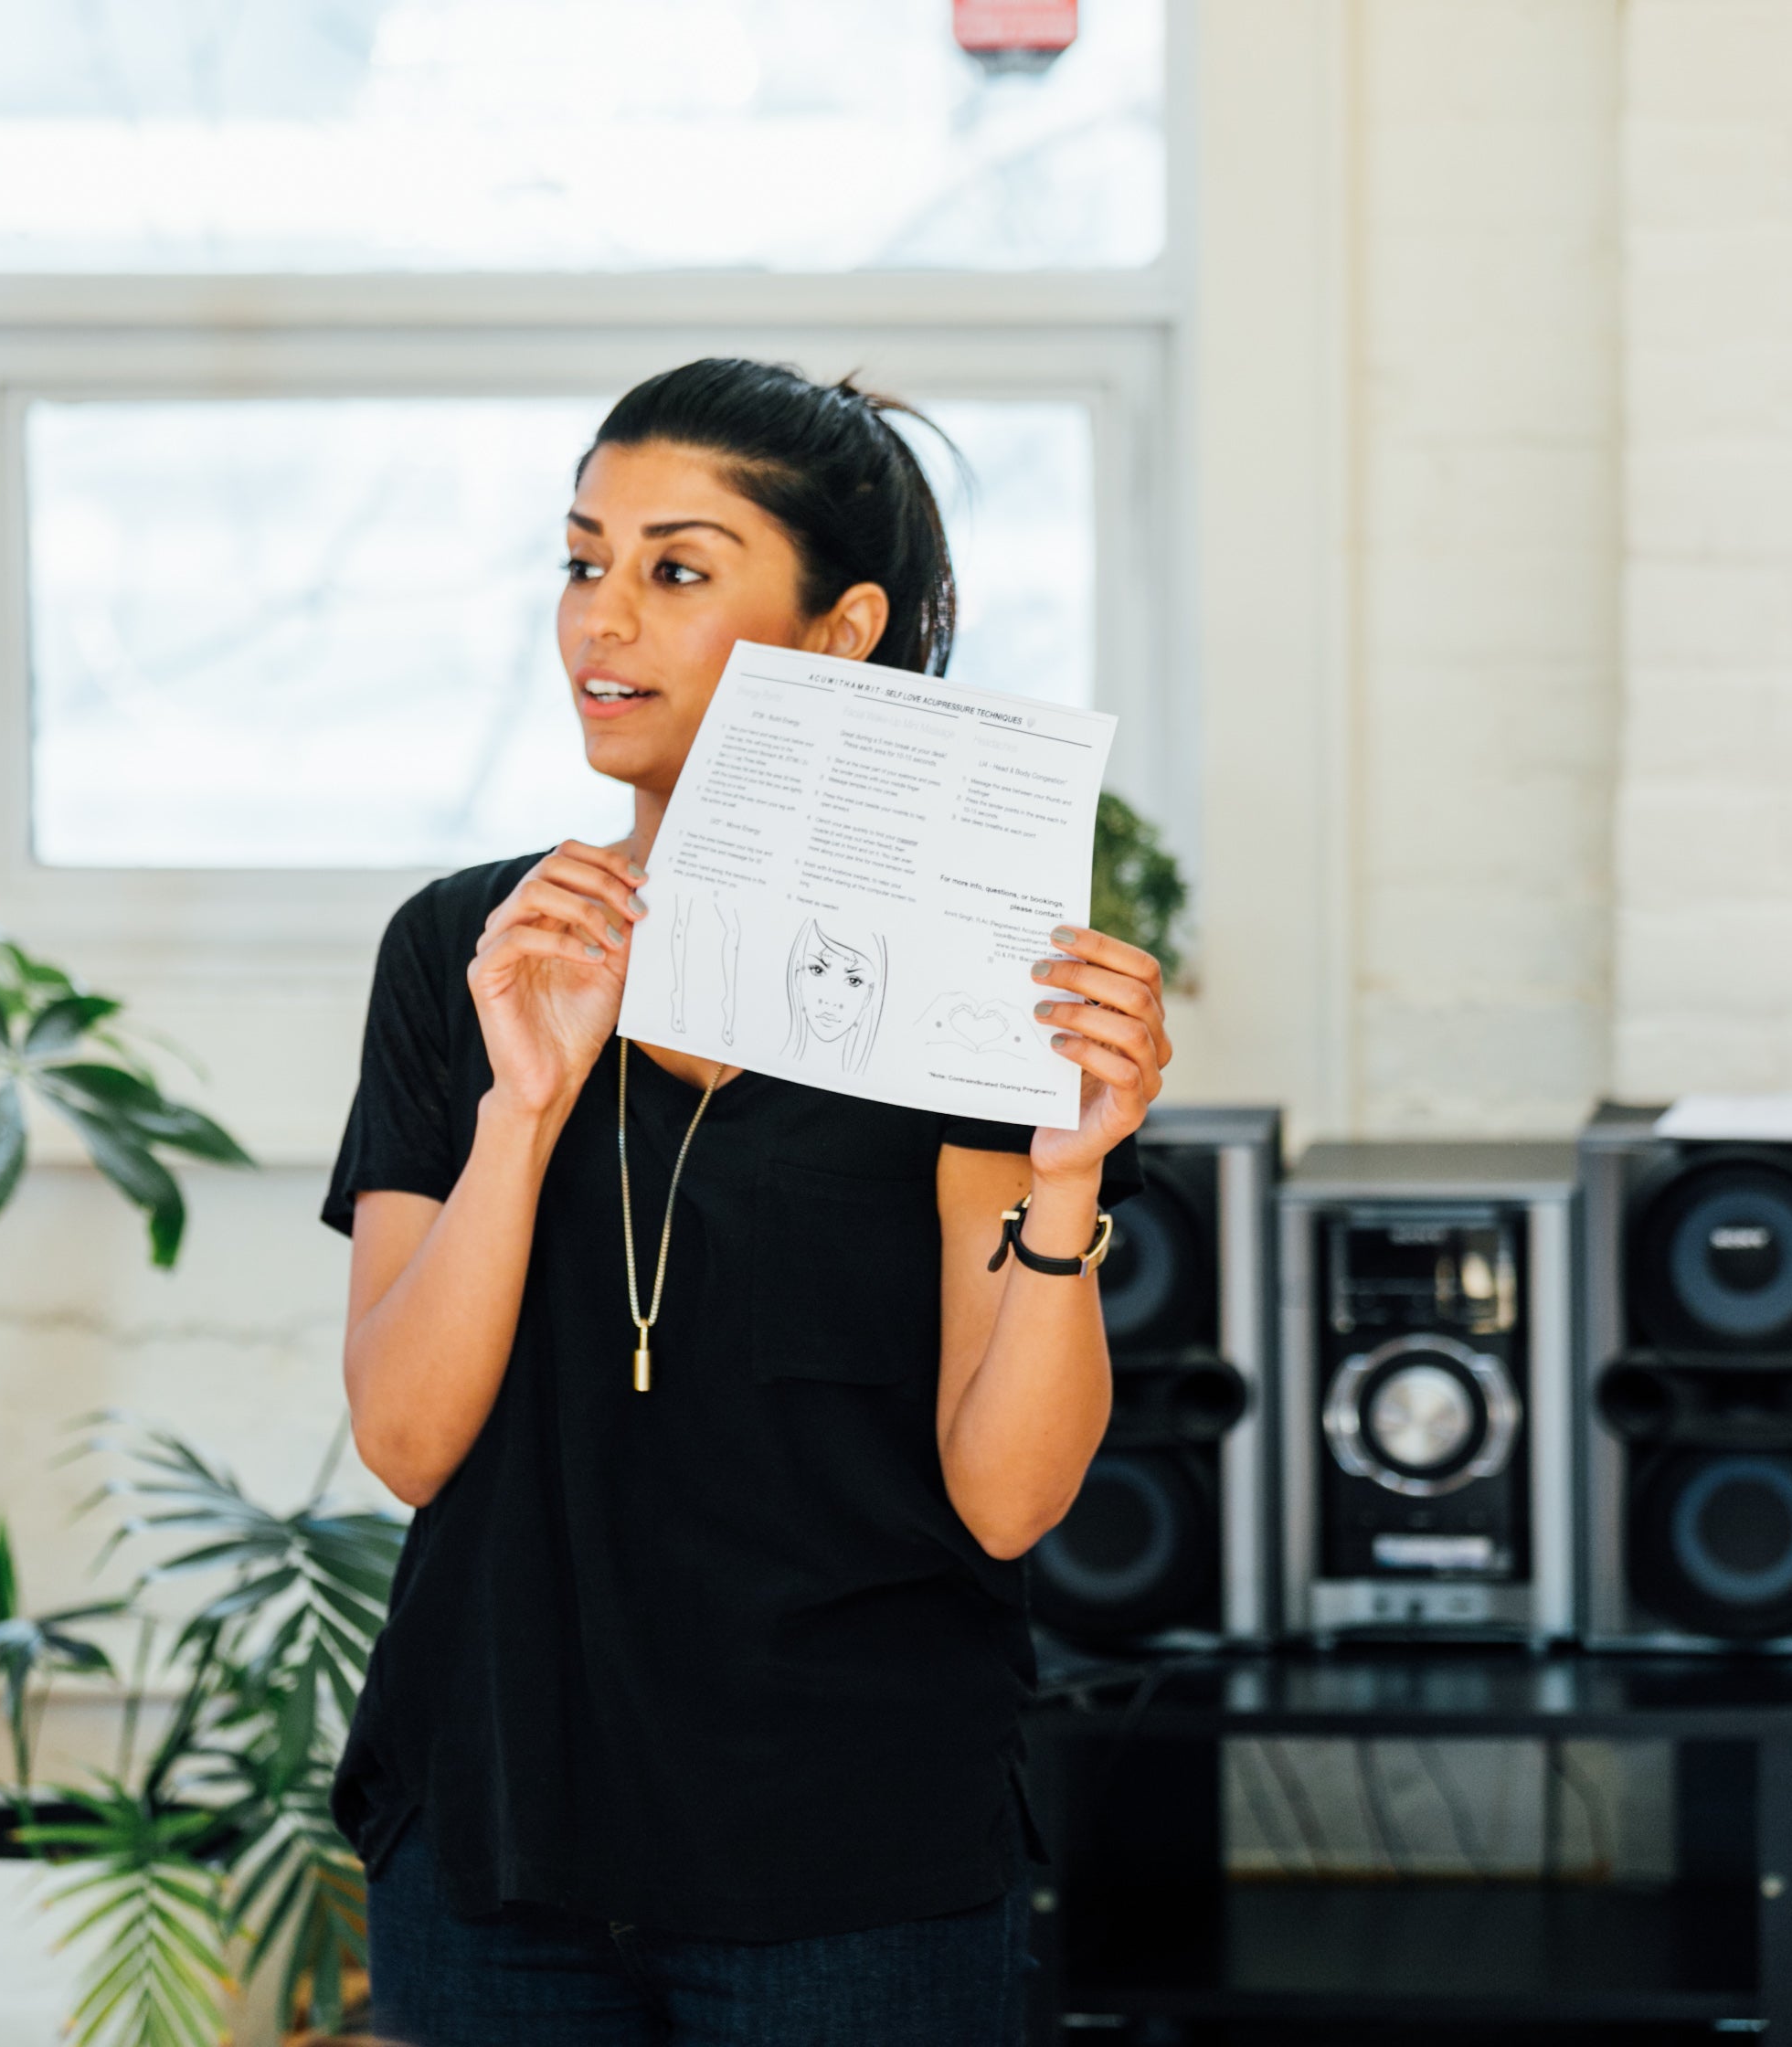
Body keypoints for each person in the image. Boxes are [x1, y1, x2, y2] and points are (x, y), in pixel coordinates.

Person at [326, 359, 1173, 2047]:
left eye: (677, 569)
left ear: (843, 629)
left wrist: (1067, 1183)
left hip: (849, 1866)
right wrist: (524, 1105)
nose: (601, 621)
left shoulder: (971, 984)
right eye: (583, 562)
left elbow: (1007, 1500)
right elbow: (410, 1441)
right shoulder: (468, 953)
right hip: (498, 1841)